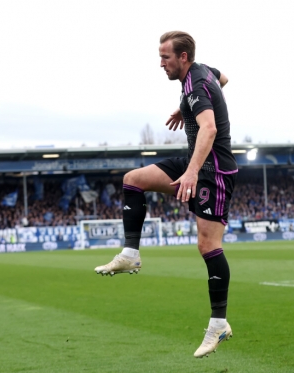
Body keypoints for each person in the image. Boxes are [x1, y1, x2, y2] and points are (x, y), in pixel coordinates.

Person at [94, 31, 236, 358]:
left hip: (214, 171)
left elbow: (210, 129)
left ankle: (219, 323)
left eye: (166, 58)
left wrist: (192, 171)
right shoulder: (200, 75)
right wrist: (184, 107)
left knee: (208, 245)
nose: (161, 64)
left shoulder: (196, 83)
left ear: (183, 57)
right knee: (133, 179)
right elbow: (224, 78)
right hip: (195, 161)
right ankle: (130, 254)